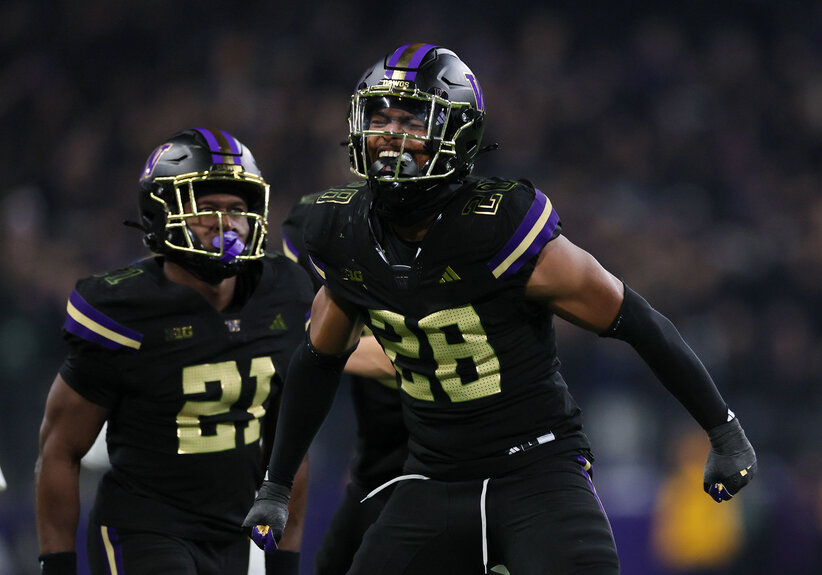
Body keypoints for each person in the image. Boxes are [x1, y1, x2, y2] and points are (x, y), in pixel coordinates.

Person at [243, 44, 758, 575]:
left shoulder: (496, 223)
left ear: (457, 132)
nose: (390, 135)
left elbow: (632, 317)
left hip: (537, 469)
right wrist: (276, 486)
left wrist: (722, 430)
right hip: (435, 478)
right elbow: (318, 360)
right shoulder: (342, 231)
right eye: (380, 117)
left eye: (411, 120)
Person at [35, 128, 317, 575]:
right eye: (205, 209)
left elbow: (288, 452)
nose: (225, 224)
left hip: (235, 533)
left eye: (237, 209)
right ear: (159, 212)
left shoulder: (285, 292)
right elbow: (60, 448)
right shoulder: (126, 308)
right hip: (146, 529)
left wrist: (285, 561)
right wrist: (58, 565)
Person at [282, 198, 408, 575]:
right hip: (379, 462)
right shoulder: (320, 228)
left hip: (458, 459)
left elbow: (423, 356)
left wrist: (316, 349)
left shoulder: (453, 239)